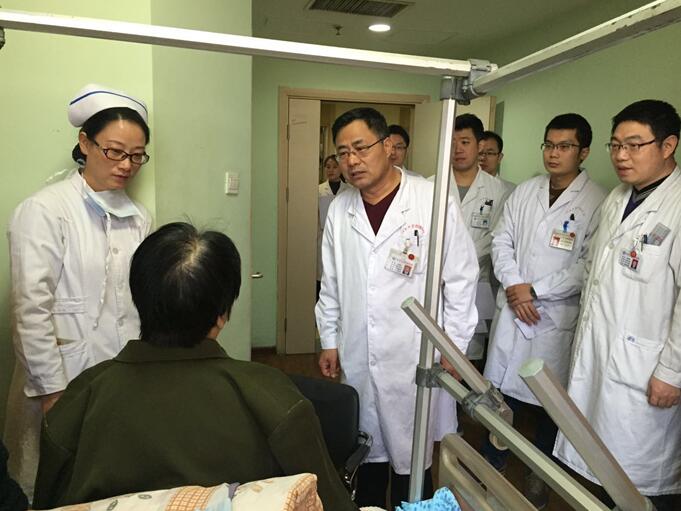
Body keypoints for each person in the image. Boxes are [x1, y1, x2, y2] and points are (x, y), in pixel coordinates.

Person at [32, 222, 357, 511]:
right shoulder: (273, 396)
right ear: (222, 314)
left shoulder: (81, 397)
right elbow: (328, 501)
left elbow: (48, 501)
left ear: (140, 299)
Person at [315, 107, 478, 509]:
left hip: (416, 354)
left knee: (413, 462)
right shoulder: (340, 209)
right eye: (342, 152)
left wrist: (455, 346)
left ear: (388, 146)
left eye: (360, 148)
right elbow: (331, 282)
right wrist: (329, 339)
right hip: (359, 348)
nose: (351, 161)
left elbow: (461, 278)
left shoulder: (430, 201)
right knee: (366, 454)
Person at [3, 84, 152, 500]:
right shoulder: (45, 210)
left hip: (120, 377)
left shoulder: (140, 218)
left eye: (137, 155)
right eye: (115, 151)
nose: (126, 165)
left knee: (110, 484)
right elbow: (30, 309)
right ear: (85, 143)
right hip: (58, 380)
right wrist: (53, 393)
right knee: (53, 485)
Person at [554, 100, 681, 511]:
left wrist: (672, 372)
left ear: (668, 146)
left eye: (634, 145)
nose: (621, 156)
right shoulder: (617, 198)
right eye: (615, 145)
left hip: (648, 367)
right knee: (602, 464)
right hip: (603, 351)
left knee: (641, 480)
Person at [481, 113, 606, 508]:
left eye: (564, 146)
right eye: (549, 145)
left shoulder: (597, 200)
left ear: (583, 152)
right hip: (515, 309)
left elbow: (588, 266)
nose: (554, 153)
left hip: (553, 319)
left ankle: (540, 477)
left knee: (551, 406)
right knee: (501, 398)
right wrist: (515, 286)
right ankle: (493, 463)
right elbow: (501, 240)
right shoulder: (525, 191)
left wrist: (533, 290)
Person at [450, 115, 511, 362]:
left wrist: (458, 258)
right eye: (452, 142)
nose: (458, 149)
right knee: (431, 349)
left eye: (465, 142)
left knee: (470, 356)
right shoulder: (431, 185)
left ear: (479, 146)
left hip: (478, 284)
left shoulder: (499, 191)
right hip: (435, 283)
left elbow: (497, 236)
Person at [318, 155, 350, 298]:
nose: (331, 170)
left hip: (344, 236)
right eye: (328, 167)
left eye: (335, 167)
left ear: (341, 168)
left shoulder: (350, 190)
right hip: (322, 234)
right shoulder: (318, 190)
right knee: (323, 276)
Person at [479, 131, 515, 195]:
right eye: (479, 153)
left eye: (489, 153)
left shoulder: (511, 191)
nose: (482, 158)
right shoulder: (462, 186)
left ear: (499, 158)